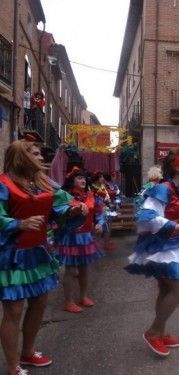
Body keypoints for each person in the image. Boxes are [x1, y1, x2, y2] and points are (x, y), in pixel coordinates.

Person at [0, 139, 86, 374]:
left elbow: (62, 205)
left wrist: (74, 209)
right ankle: (12, 366)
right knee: (14, 311)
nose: (41, 158)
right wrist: (19, 223)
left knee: (39, 304)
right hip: (13, 257)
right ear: (22, 157)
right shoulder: (4, 184)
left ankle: (27, 353)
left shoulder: (43, 183)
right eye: (36, 154)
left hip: (39, 254)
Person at [125, 148, 179, 357]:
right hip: (161, 247)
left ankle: (161, 332)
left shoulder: (178, 189)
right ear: (178, 167)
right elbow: (146, 215)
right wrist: (176, 225)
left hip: (171, 245)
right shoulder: (164, 188)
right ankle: (154, 332)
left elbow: (174, 213)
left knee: (166, 289)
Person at [56, 166, 106, 313]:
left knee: (84, 270)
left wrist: (99, 223)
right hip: (71, 237)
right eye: (79, 178)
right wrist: (73, 211)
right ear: (72, 181)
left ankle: (83, 296)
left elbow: (99, 212)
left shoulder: (91, 195)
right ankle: (69, 301)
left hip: (86, 238)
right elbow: (60, 214)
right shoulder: (66, 196)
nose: (83, 180)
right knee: (70, 270)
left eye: (83, 178)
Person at [91, 172, 114, 251]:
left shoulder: (103, 186)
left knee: (108, 227)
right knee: (97, 229)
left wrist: (108, 203)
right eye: (101, 177)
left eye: (103, 177)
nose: (103, 179)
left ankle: (106, 243)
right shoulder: (91, 188)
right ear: (97, 179)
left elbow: (106, 198)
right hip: (95, 211)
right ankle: (95, 245)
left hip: (104, 209)